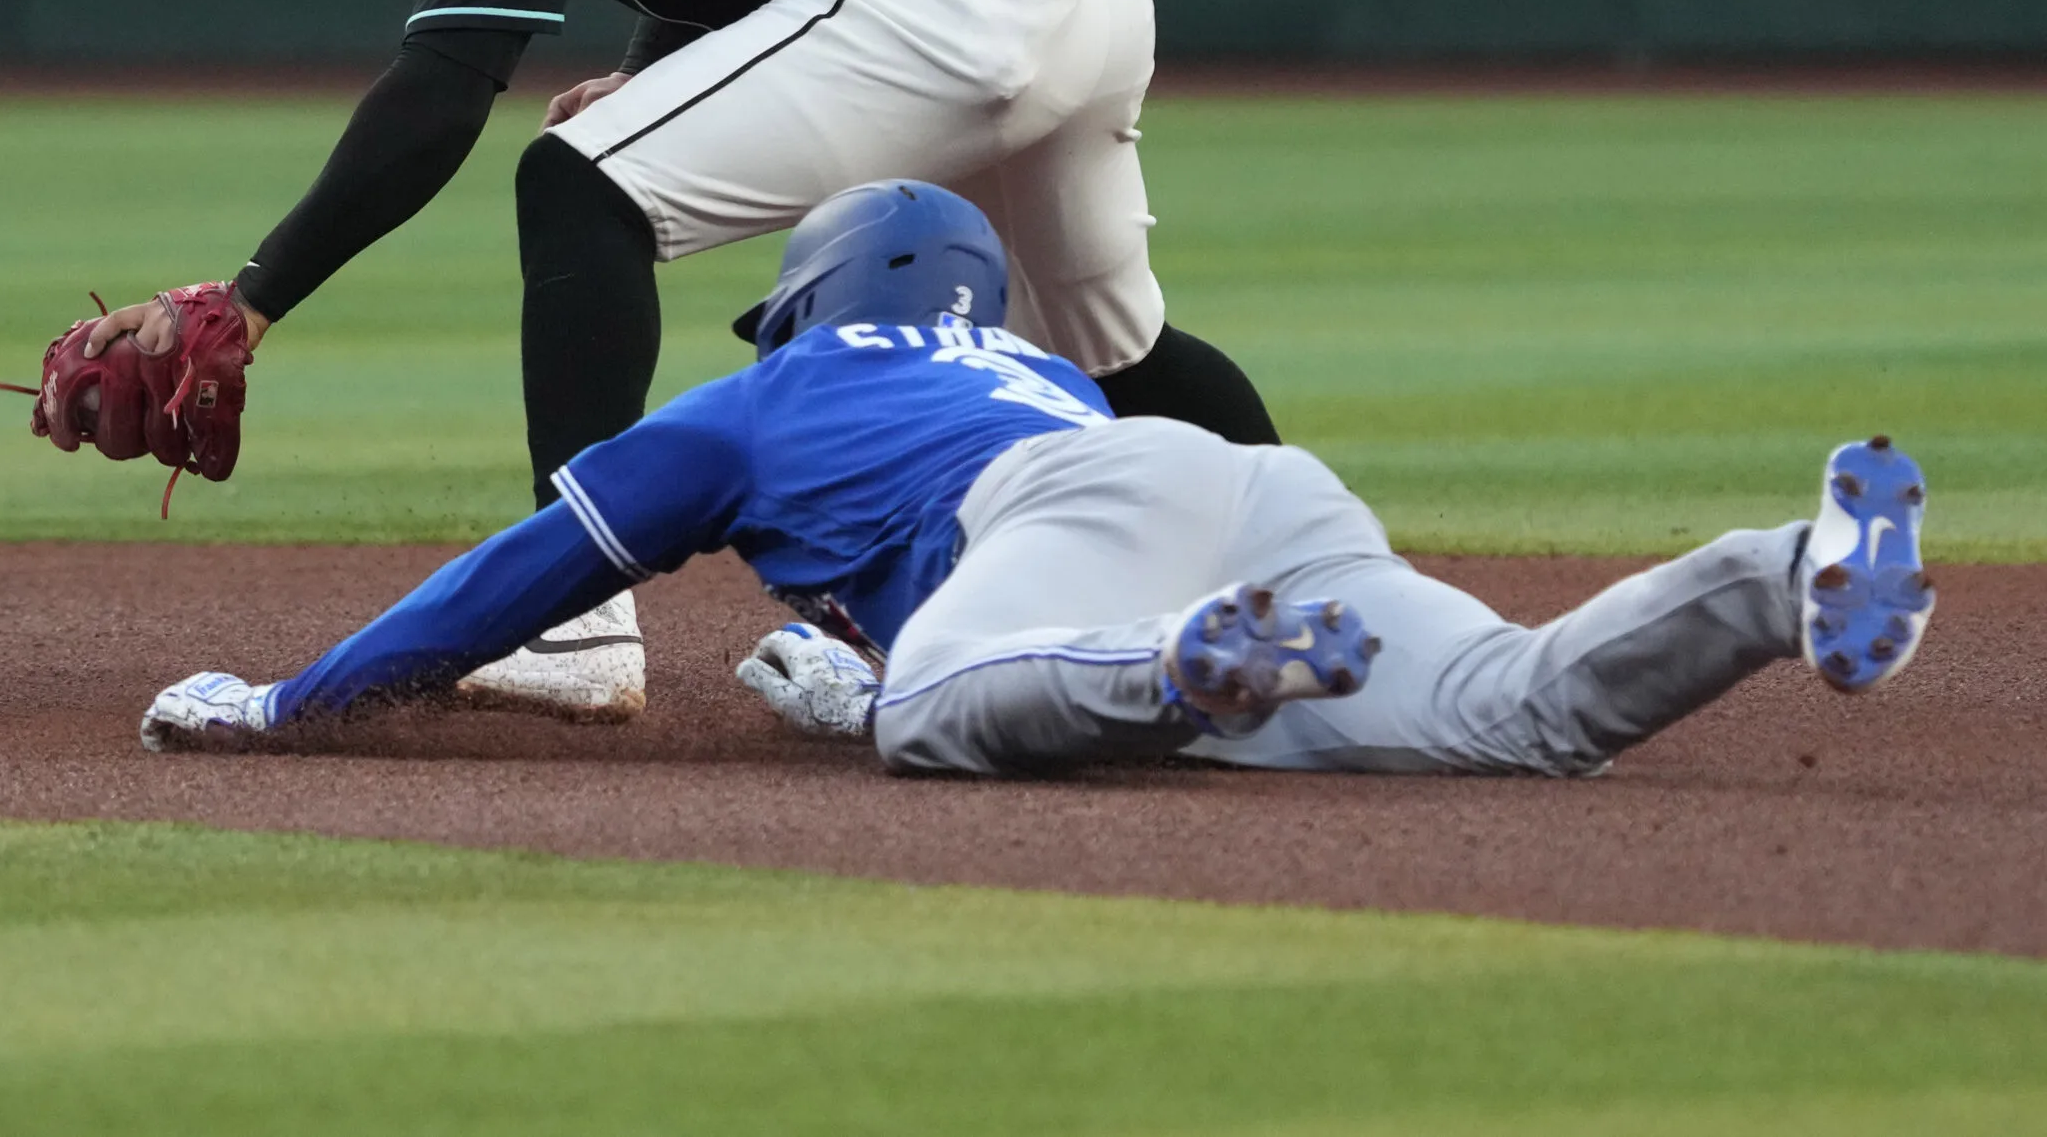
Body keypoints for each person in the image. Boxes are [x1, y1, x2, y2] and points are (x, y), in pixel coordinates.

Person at [77, 0, 1280, 719]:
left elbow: (447, 81)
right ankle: (1318, 591)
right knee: (1115, 354)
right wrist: (661, 66)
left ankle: (574, 621)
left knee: (577, 186)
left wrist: (251, 296)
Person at [139, 182, 1938, 778]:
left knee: (931, 714)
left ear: (812, 301)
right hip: (1248, 488)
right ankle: (1794, 567)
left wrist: (294, 699)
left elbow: (516, 579)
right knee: (1519, 703)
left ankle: (1186, 669)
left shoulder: (759, 403)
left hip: (1087, 544)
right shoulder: (1036, 361)